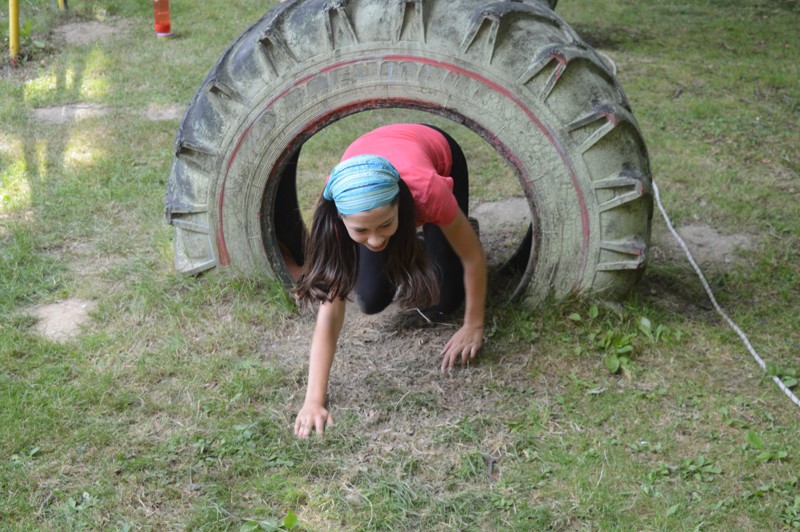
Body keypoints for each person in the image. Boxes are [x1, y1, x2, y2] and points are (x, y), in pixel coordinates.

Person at [277, 123, 487, 439]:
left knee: (446, 299)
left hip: (432, 152)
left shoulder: (428, 191)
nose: (375, 241)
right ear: (342, 219)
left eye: (385, 225)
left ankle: (451, 226)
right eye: (361, 231)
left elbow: (473, 257)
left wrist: (474, 325)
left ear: (400, 205)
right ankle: (410, 235)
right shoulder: (338, 208)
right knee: (371, 298)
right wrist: (314, 401)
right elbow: (330, 310)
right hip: (373, 167)